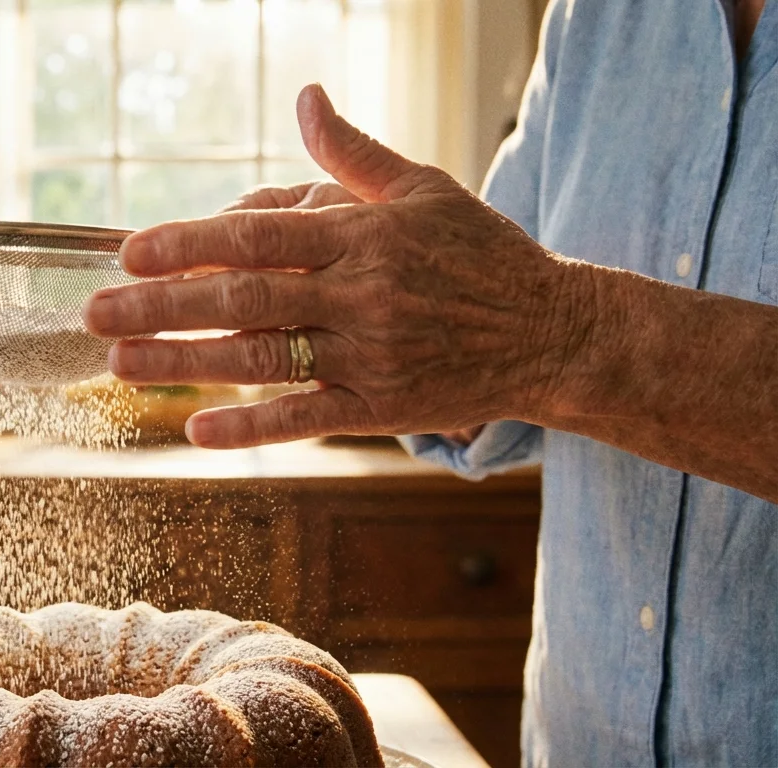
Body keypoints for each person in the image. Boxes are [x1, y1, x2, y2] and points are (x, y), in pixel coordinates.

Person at [83, 1, 778, 765]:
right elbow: (498, 331)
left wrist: (546, 333)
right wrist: (384, 306)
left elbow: (526, 317)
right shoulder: (592, 17)